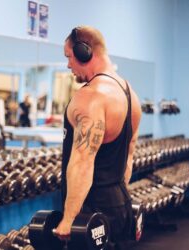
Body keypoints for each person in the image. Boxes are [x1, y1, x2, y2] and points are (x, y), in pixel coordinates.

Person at [54, 26, 142, 250]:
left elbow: (83, 163)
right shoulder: (129, 93)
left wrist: (69, 219)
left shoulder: (90, 96)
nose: (68, 65)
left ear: (85, 52)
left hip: (91, 211)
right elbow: (128, 157)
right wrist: (117, 200)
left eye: (69, 57)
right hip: (120, 204)